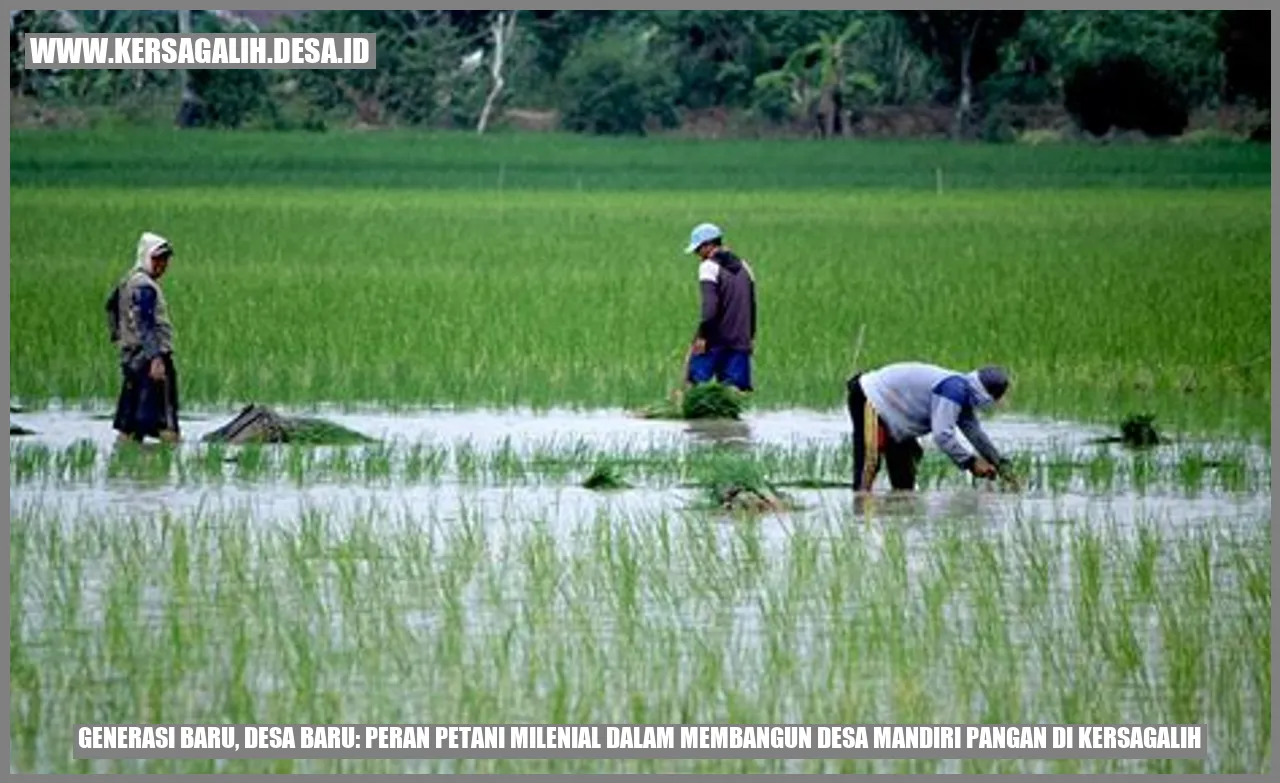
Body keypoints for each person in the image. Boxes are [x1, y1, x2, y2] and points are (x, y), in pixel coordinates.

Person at [846, 361, 1013, 492]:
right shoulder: (954, 390)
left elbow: (976, 435)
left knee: (906, 469)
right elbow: (942, 435)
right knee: (870, 461)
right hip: (870, 397)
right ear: (985, 395)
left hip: (897, 413)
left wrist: (1000, 465)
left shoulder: (964, 394)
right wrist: (970, 462)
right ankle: (860, 509)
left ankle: (898, 514)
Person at [107, 231, 181, 444]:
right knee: (166, 424)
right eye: (157, 259)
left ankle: (127, 469)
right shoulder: (145, 287)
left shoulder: (128, 281)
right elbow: (146, 324)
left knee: (129, 426)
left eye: (165, 260)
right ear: (146, 257)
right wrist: (156, 359)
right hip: (152, 361)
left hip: (132, 360)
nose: (162, 265)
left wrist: (120, 338)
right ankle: (167, 468)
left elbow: (111, 307)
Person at [682, 222, 757, 393]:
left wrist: (702, 336)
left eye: (698, 249)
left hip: (715, 338)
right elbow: (752, 306)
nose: (697, 254)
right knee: (733, 392)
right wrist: (751, 336)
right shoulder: (746, 267)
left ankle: (696, 417)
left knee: (696, 384)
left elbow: (710, 306)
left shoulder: (708, 267)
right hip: (741, 339)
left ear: (708, 245)